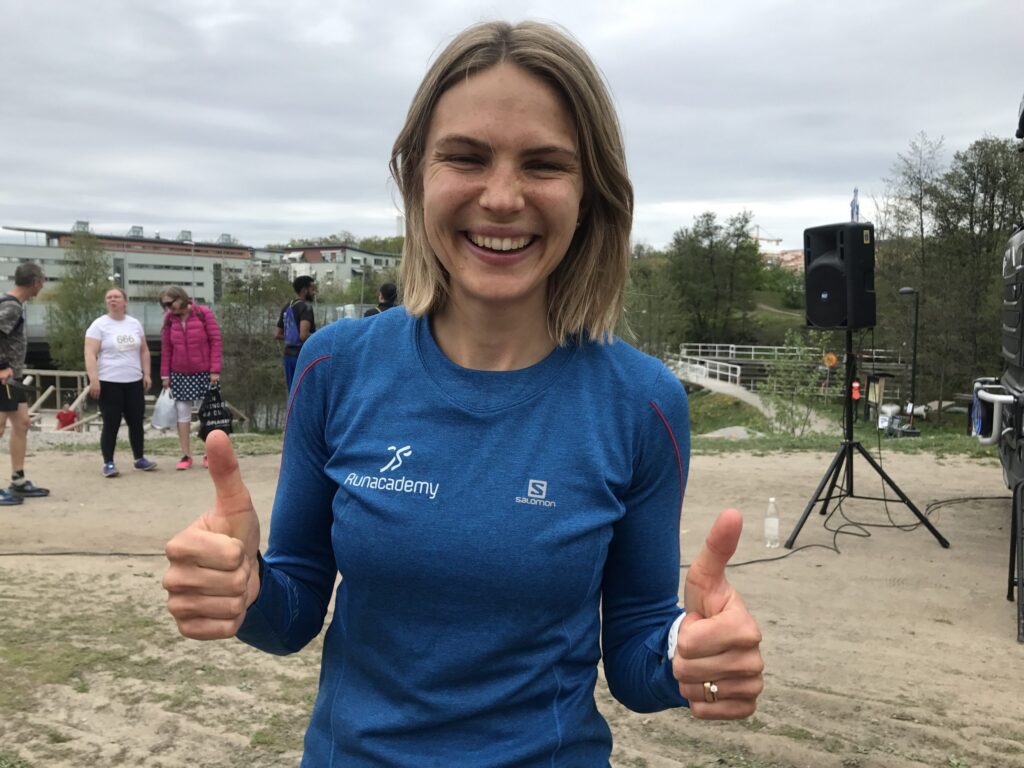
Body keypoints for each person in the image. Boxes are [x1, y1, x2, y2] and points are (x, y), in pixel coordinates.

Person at [163, 20, 763, 766]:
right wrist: (245, 588)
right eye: (467, 157)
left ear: (589, 193)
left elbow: (638, 659)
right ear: (416, 174)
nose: (502, 198)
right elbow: (293, 614)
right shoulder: (335, 367)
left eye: (544, 164)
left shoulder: (641, 403)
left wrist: (690, 657)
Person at [84, 287, 157, 477]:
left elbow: (144, 350)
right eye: (109, 297)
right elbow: (90, 353)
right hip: (109, 381)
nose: (112, 300)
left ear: (125, 301)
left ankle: (139, 458)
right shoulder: (99, 325)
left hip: (133, 381)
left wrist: (147, 373)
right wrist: (94, 379)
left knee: (136, 421)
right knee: (112, 423)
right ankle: (108, 462)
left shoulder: (134, 324)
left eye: (116, 297)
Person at [0, 262, 50, 505]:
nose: (43, 285)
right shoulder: (11, 307)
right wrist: (2, 365)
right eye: (43, 280)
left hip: (13, 377)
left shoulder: (14, 304)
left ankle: (18, 480)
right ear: (35, 282)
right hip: (4, 376)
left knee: (22, 424)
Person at [158, 286, 222, 471]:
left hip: (204, 371)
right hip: (179, 373)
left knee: (207, 414)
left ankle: (209, 453)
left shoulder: (203, 314)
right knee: (182, 414)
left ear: (181, 298)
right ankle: (185, 454)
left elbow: (215, 341)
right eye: (164, 305)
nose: (168, 308)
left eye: (170, 303)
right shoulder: (169, 319)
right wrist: (165, 375)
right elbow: (166, 348)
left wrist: (215, 370)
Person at [276, 275, 316, 390]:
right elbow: (303, 336)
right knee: (306, 393)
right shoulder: (306, 307)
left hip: (288, 357)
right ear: (304, 290)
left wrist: (292, 337)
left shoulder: (287, 306)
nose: (313, 292)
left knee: (293, 393)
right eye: (312, 289)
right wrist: (320, 336)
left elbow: (277, 334)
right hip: (302, 357)